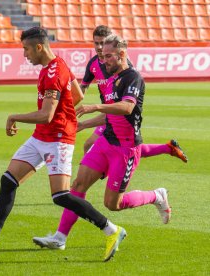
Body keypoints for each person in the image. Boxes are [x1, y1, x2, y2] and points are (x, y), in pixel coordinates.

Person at [0, 27, 126, 262]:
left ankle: (112, 230)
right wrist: (66, 111)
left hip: (58, 139)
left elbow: (47, 114)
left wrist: (14, 117)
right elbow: (77, 95)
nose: (25, 54)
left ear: (39, 47)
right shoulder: (58, 65)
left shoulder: (53, 72)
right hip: (41, 137)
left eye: (26, 49)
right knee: (8, 181)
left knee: (61, 196)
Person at [33, 34, 171, 251]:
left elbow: (126, 108)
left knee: (112, 204)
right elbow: (111, 116)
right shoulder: (110, 79)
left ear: (122, 54)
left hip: (126, 148)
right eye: (102, 56)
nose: (103, 60)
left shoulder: (132, 77)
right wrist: (85, 124)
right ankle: (60, 237)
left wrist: (95, 106)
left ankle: (156, 196)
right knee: (77, 186)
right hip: (106, 141)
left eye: (108, 56)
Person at [80, 25, 187, 162]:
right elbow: (82, 87)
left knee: (93, 144)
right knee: (126, 148)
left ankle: (93, 173)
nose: (100, 47)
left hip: (120, 113)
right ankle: (168, 148)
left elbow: (128, 99)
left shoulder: (123, 67)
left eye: (103, 43)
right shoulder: (93, 63)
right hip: (108, 111)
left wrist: (84, 122)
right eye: (97, 43)